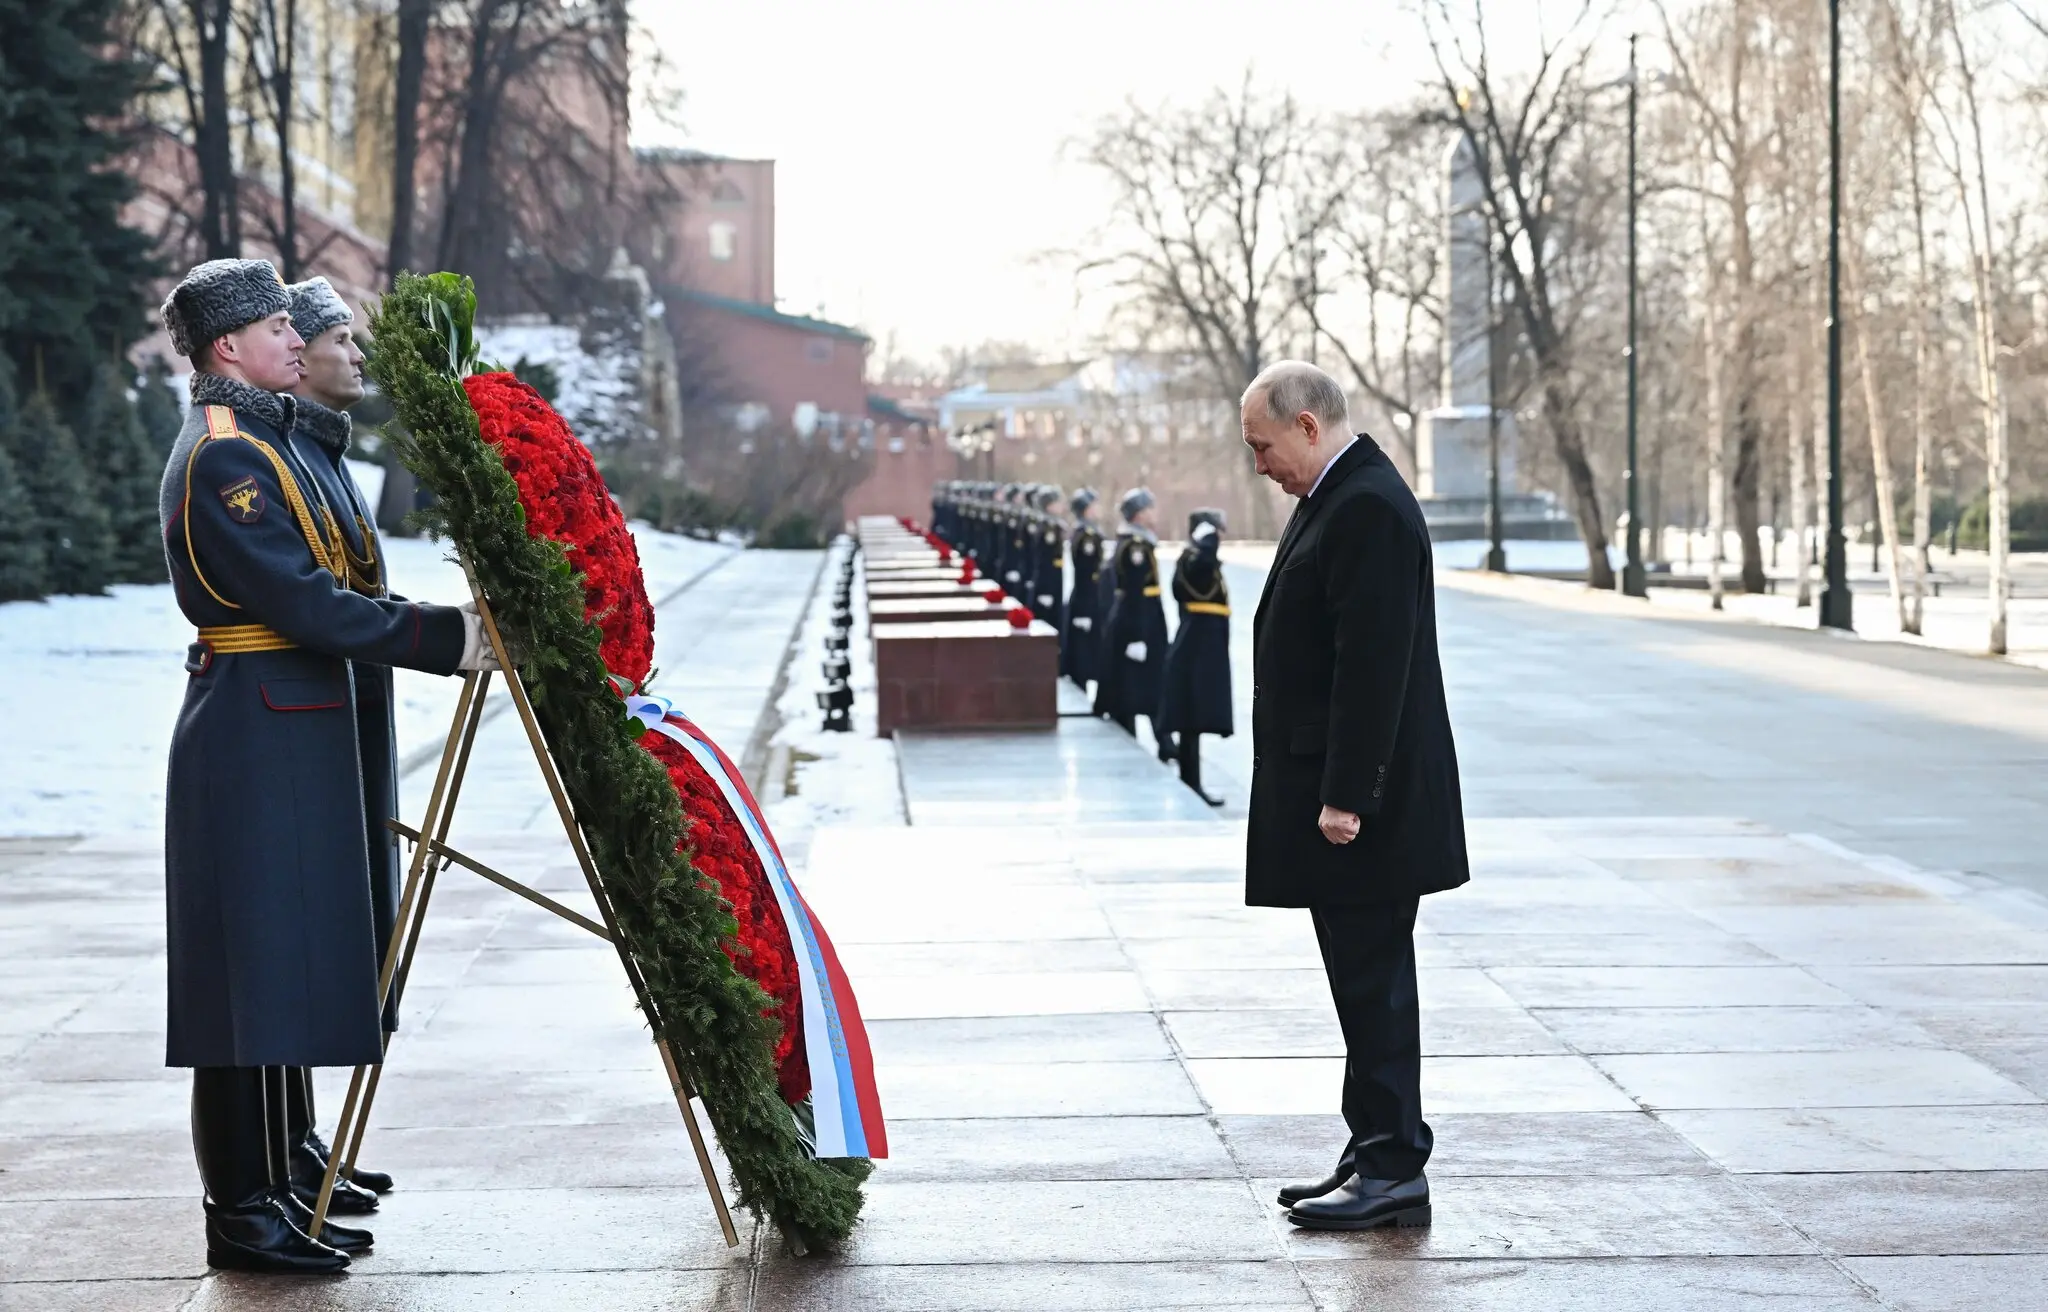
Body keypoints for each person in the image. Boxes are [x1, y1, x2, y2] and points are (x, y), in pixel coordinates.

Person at [157, 258, 497, 1273]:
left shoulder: (259, 437)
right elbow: (304, 600)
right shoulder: (225, 455)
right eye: (276, 328)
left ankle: (279, 1179)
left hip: (285, 718)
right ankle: (242, 1210)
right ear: (229, 347)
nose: (296, 342)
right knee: (245, 986)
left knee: (278, 961)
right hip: (253, 725)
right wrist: (447, 638)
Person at [1239, 360, 1468, 1232]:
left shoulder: (1365, 504)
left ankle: (1393, 1168)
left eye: (1263, 445)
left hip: (1363, 811)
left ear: (1307, 425)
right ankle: (1372, 1146)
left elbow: (1374, 669)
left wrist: (1346, 797)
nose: (1259, 463)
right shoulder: (1340, 494)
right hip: (1347, 801)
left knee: (1375, 986)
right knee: (1360, 982)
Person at [280, 276, 405, 1215]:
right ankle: (280, 1160)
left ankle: (297, 1146)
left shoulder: (321, 448)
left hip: (346, 697)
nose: (354, 356)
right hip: (302, 707)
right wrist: (435, 636)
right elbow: (315, 597)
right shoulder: (267, 454)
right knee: (296, 936)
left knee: (345, 921)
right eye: (340, 340)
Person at [1157, 508, 1233, 806]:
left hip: (1203, 649)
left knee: (1194, 718)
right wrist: (1207, 539)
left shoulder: (1195, 559)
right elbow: (1202, 566)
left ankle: (1192, 781)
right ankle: (1191, 782)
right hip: (1196, 649)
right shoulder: (1194, 559)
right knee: (1191, 718)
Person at [1093, 486, 1168, 751]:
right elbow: (1135, 591)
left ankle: (1160, 738)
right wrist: (1137, 636)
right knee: (1136, 682)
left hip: (1144, 619)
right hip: (1138, 621)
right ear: (1138, 514)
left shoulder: (1139, 542)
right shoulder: (1135, 546)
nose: (1154, 513)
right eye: (1150, 508)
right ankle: (1144, 736)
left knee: (1143, 680)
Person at [1061, 489, 1105, 689]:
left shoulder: (1088, 533)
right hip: (1086, 598)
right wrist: (1085, 610)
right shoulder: (1087, 536)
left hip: (1088, 596)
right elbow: (1085, 574)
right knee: (1083, 652)